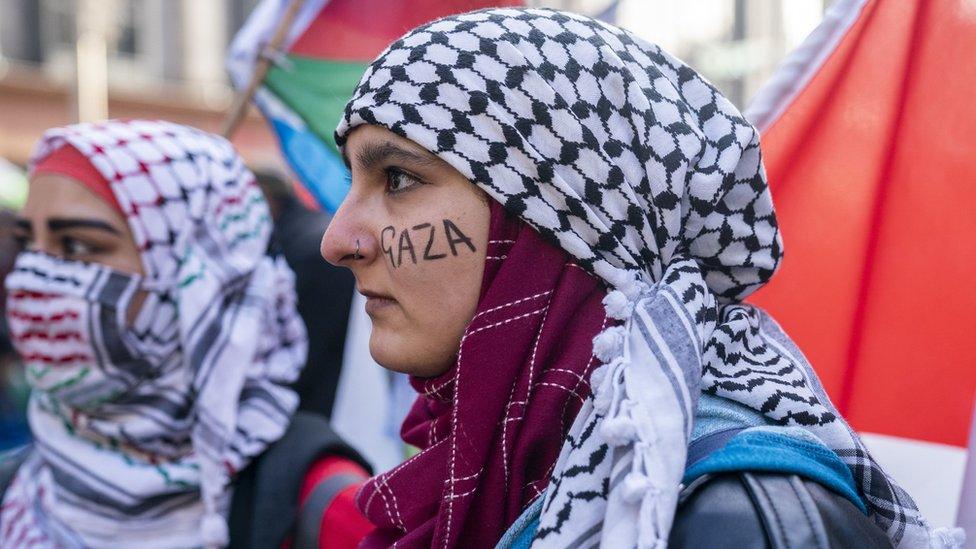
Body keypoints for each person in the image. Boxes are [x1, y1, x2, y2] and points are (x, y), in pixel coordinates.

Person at [319, 7, 960, 549]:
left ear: (556, 221)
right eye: (354, 181)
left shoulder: (736, 518)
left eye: (398, 179)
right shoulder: (489, 459)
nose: (336, 241)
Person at [0, 120, 371, 548]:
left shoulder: (323, 509)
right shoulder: (20, 489)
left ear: (199, 274)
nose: (34, 278)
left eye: (78, 246)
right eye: (28, 243)